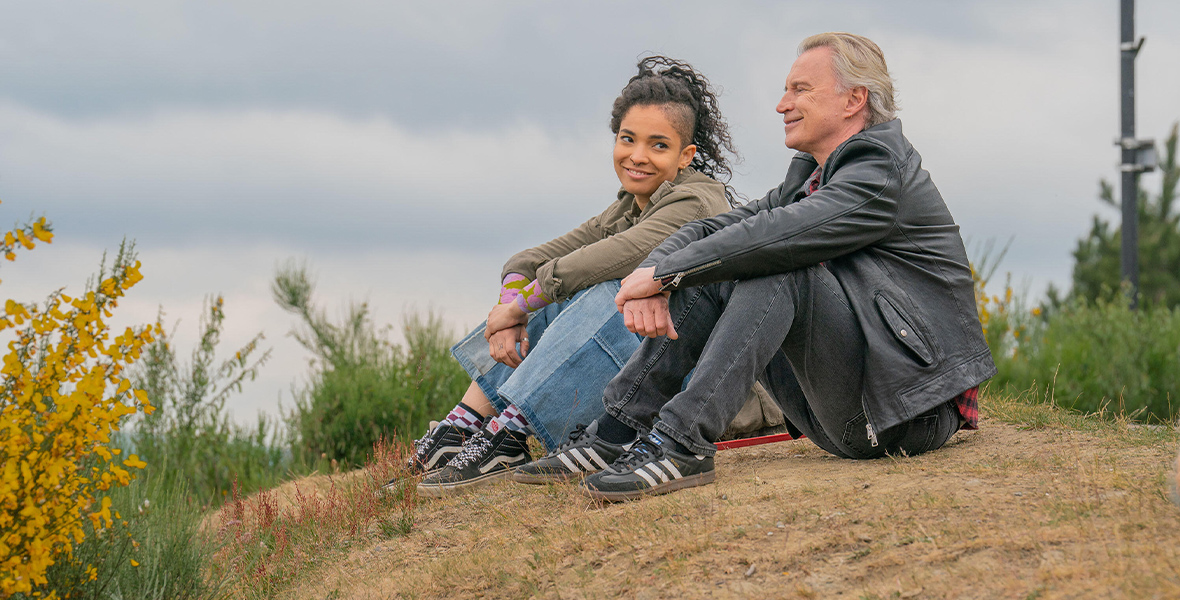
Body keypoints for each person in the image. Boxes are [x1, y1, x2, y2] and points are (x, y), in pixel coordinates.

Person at [523, 32, 996, 501]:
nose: (781, 104)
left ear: (854, 99)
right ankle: (617, 429)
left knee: (778, 264)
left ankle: (682, 442)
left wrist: (666, 276)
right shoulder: (810, 177)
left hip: (910, 412)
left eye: (800, 89)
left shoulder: (880, 171)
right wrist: (657, 273)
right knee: (724, 261)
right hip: (845, 410)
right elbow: (719, 229)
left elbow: (778, 239)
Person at [396, 56, 739, 497]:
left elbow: (611, 258)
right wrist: (511, 302)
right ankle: (464, 425)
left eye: (658, 145)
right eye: (627, 139)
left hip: (699, 385)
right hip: (649, 368)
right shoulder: (630, 204)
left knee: (607, 291)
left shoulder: (694, 202)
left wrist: (521, 305)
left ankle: (510, 431)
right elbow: (534, 257)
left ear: (685, 155)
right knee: (560, 289)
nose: (637, 156)